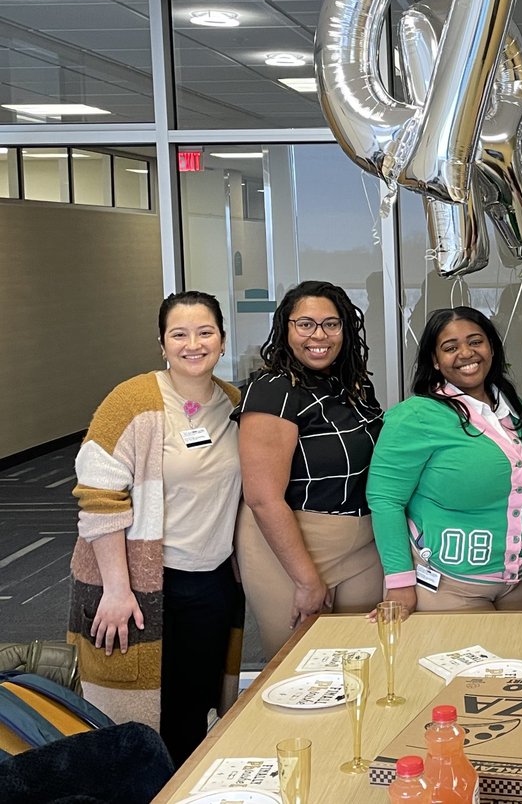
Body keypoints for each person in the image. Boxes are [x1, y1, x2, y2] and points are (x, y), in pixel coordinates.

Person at [67, 291, 243, 766]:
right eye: (179, 334)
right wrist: (117, 589)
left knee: (193, 707)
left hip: (213, 581)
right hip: (144, 586)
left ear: (223, 341)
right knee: (140, 719)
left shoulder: (233, 404)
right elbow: (97, 495)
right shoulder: (132, 401)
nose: (193, 344)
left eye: (205, 332)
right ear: (162, 344)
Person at [233, 279, 384, 659]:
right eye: (305, 324)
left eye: (331, 324)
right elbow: (263, 499)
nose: (319, 335)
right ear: (285, 329)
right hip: (289, 550)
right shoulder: (272, 390)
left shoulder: (351, 385)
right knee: (301, 670)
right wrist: (306, 579)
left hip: (361, 544)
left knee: (362, 659)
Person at [367, 307, 522, 614]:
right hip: (449, 585)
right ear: (435, 361)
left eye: (476, 342)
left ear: (491, 347)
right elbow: (385, 499)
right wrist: (399, 584)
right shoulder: (416, 416)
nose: (466, 353)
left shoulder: (517, 410)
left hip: (521, 580)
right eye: (450, 348)